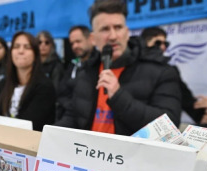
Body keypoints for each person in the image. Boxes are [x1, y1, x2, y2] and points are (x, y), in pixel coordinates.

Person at [55, 0, 181, 135]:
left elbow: (169, 126)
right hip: (88, 152)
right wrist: (50, 136)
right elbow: (74, 117)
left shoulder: (160, 71)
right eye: (105, 29)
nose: (113, 36)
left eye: (118, 27)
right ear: (93, 39)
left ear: (127, 33)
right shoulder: (86, 72)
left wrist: (118, 96)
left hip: (130, 155)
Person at [140, 27, 205, 124]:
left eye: (165, 44)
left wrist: (203, 117)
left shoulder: (169, 71)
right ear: (144, 43)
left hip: (160, 127)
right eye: (157, 43)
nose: (162, 47)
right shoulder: (130, 67)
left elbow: (185, 98)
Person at [0, 31, 56, 131]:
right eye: (16, 46)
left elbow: (31, 125)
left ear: (35, 54)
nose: (20, 51)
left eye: (27, 47)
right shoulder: (4, 84)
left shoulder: (45, 87)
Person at [56, 25, 96, 120]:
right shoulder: (73, 65)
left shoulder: (100, 65)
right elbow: (61, 93)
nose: (75, 46)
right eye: (72, 43)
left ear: (90, 39)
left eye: (78, 41)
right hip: (69, 117)